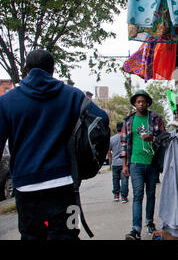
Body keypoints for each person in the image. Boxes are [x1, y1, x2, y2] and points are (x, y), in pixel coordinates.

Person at [0, 50, 109, 240]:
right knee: (68, 233)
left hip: (26, 187)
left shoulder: (6, 101)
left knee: (31, 235)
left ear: (25, 69)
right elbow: (102, 119)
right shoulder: (72, 95)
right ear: (53, 69)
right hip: (65, 184)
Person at [121, 90, 165, 240]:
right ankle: (136, 229)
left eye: (143, 101)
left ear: (147, 103)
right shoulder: (128, 121)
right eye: (138, 102)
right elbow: (124, 144)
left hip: (152, 163)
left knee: (151, 194)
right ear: (134, 104)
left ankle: (150, 223)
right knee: (138, 195)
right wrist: (124, 165)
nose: (141, 104)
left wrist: (153, 138)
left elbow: (164, 139)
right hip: (135, 163)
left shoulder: (155, 118)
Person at [109, 122, 129, 203]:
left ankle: (116, 195)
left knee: (115, 179)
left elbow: (108, 151)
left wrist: (112, 158)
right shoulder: (126, 138)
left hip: (115, 163)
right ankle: (124, 197)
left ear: (116, 129)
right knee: (124, 180)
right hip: (124, 163)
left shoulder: (111, 139)